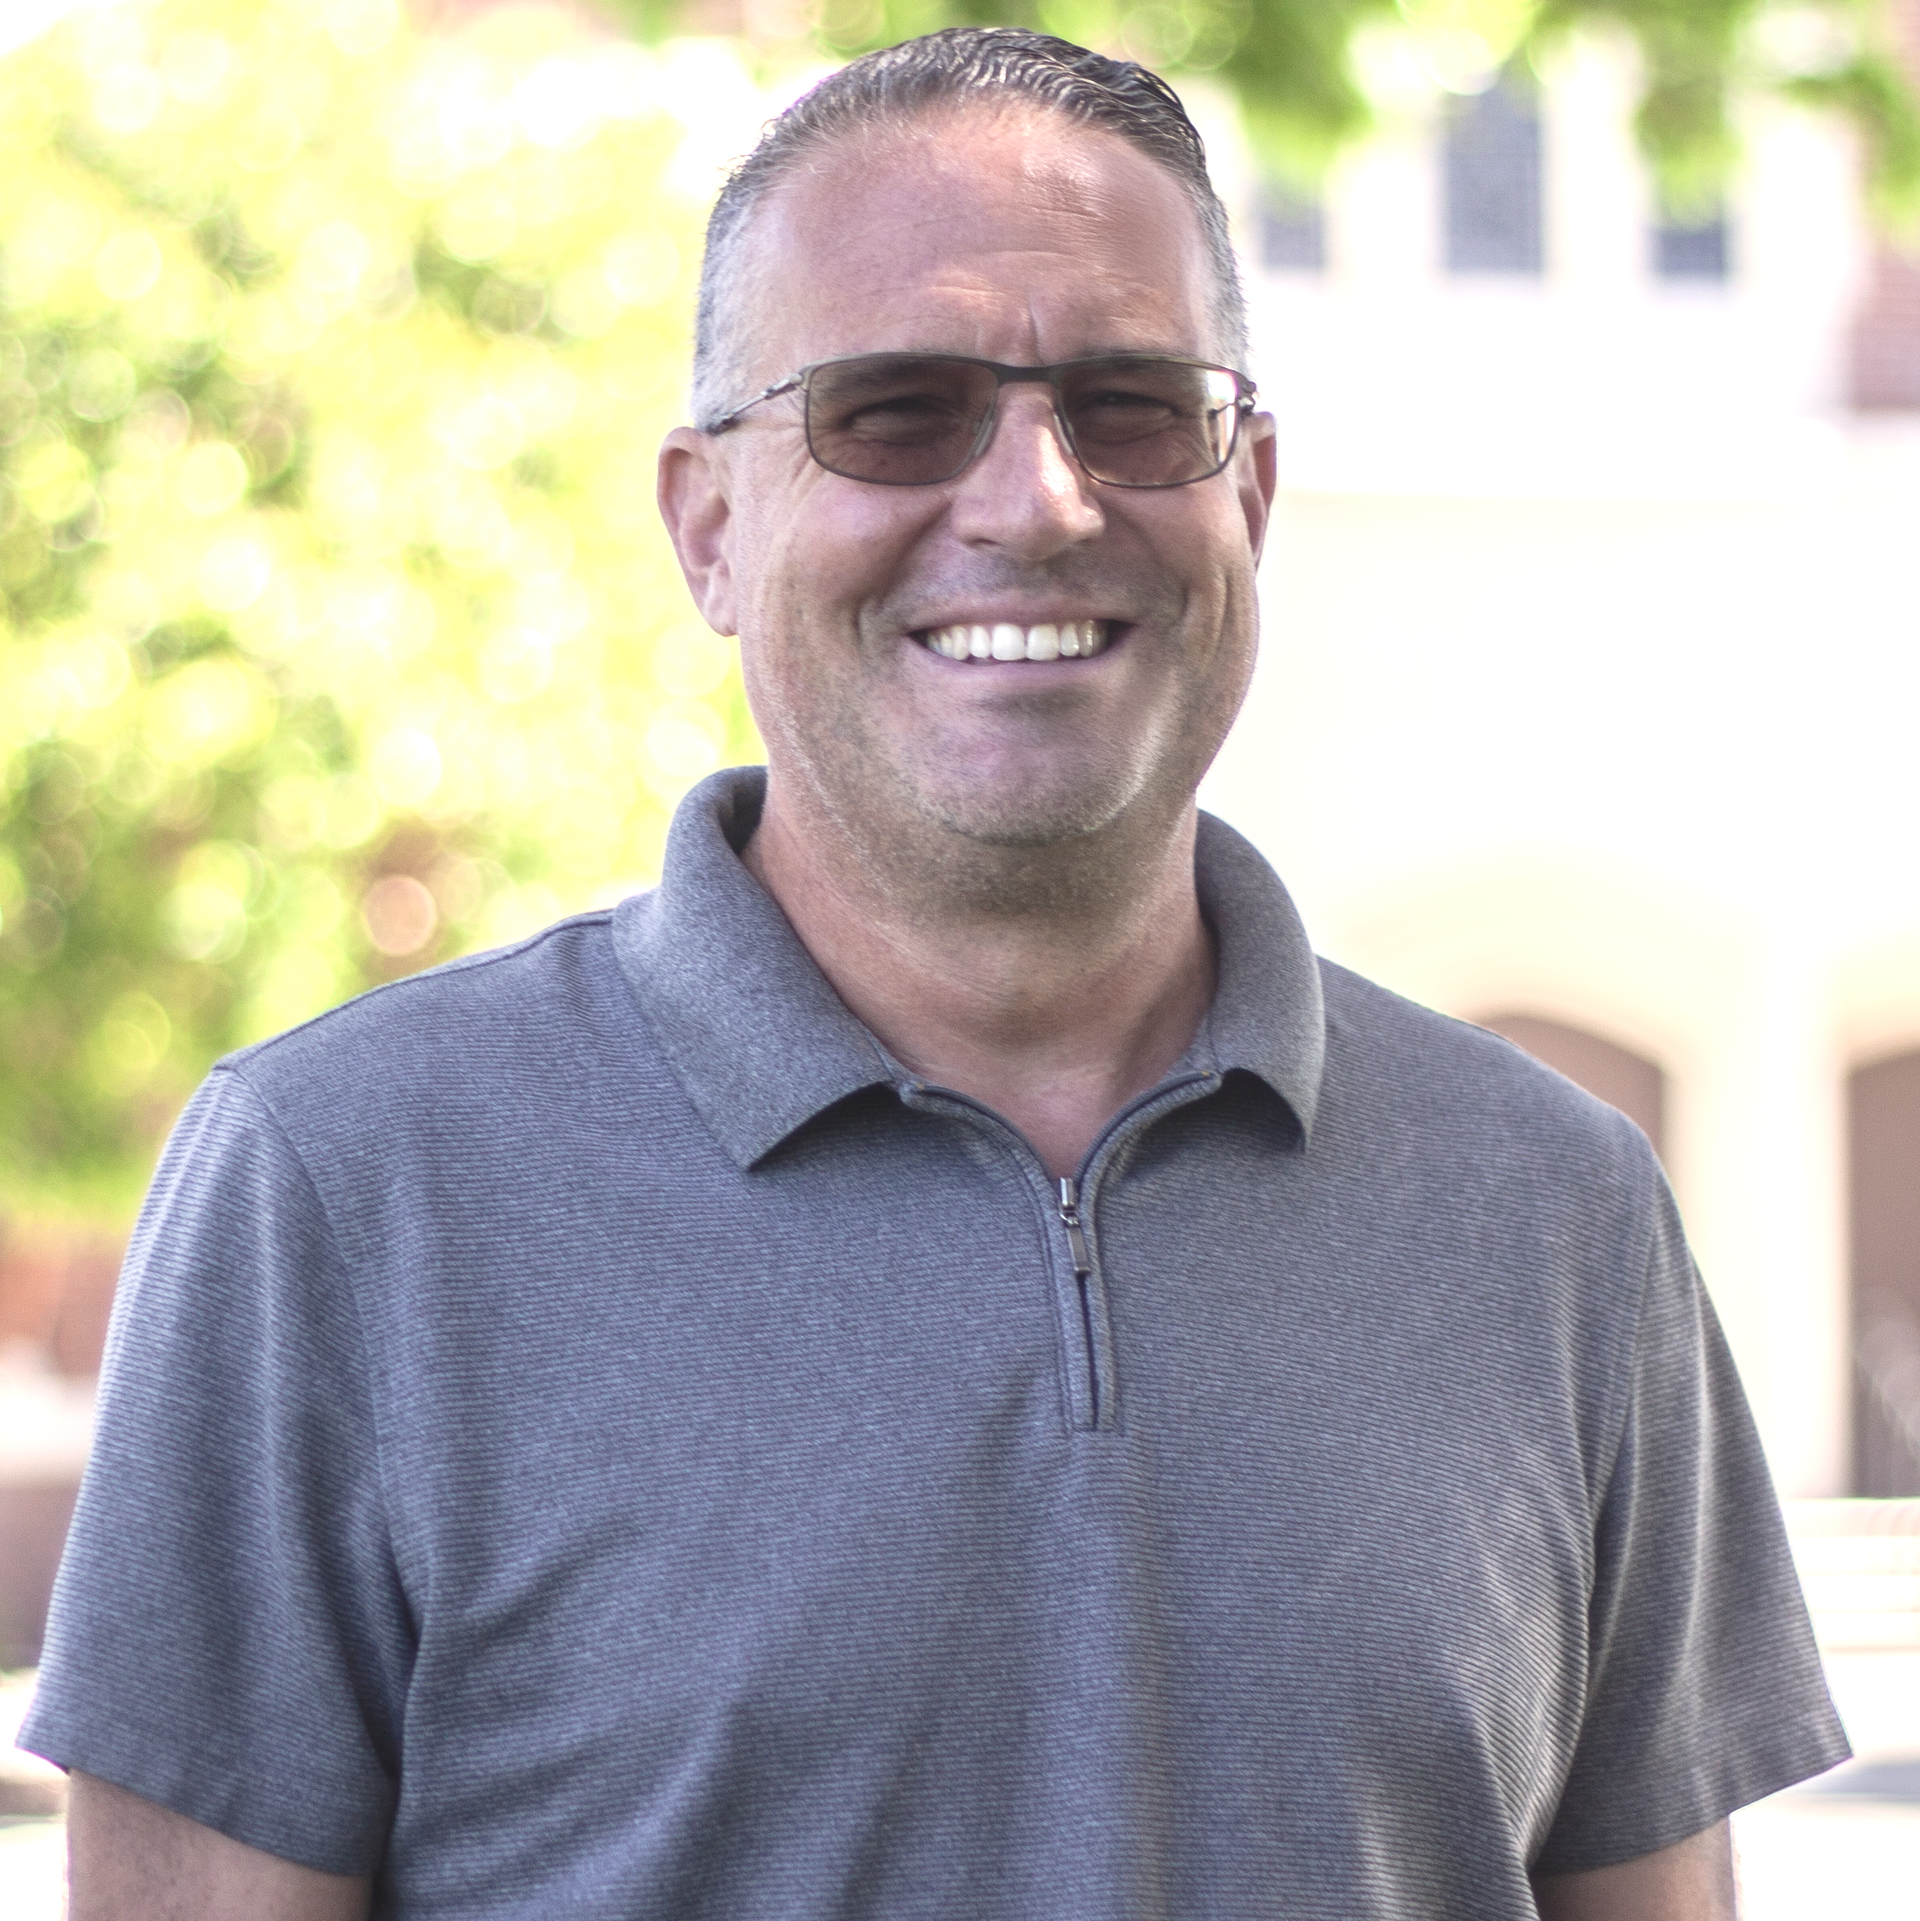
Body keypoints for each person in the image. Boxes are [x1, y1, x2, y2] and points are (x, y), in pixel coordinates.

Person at [22, 28, 1846, 1921]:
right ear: (709, 524)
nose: (1036, 499)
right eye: (896, 411)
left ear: (1254, 496)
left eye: (1136, 407)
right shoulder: (340, 1191)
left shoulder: (1552, 1217)